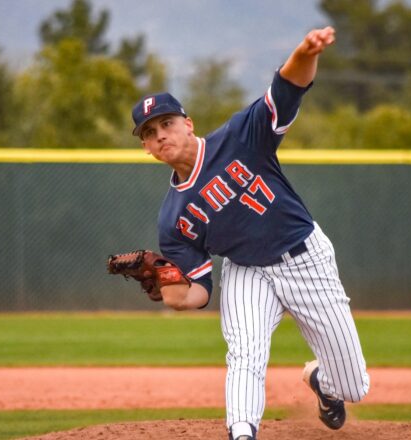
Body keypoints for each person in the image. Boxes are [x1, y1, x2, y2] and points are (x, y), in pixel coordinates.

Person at [130, 26, 370, 440]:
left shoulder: (240, 136)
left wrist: (305, 52)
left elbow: (287, 89)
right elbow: (199, 289)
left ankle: (321, 382)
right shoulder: (173, 220)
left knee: (353, 386)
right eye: (149, 134)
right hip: (247, 272)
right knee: (244, 354)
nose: (160, 135)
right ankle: (242, 433)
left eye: (166, 123)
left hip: (306, 257)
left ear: (188, 123)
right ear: (146, 148)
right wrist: (172, 292)